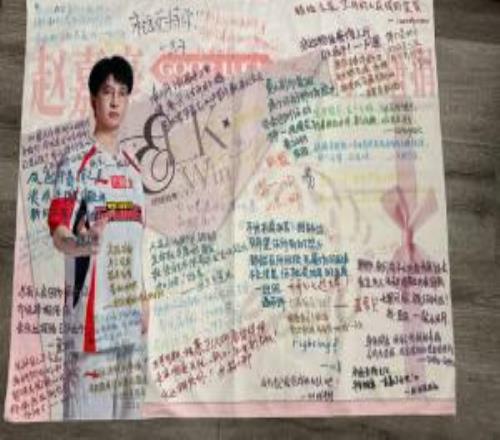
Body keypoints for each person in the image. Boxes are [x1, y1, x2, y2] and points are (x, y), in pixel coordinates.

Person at [47, 55, 148, 420]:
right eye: (107, 92)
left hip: (131, 326)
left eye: (122, 92)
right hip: (91, 329)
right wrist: (83, 243)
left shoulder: (133, 169)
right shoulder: (76, 162)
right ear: (93, 99)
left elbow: (134, 245)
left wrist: (144, 299)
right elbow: (59, 233)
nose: (115, 101)